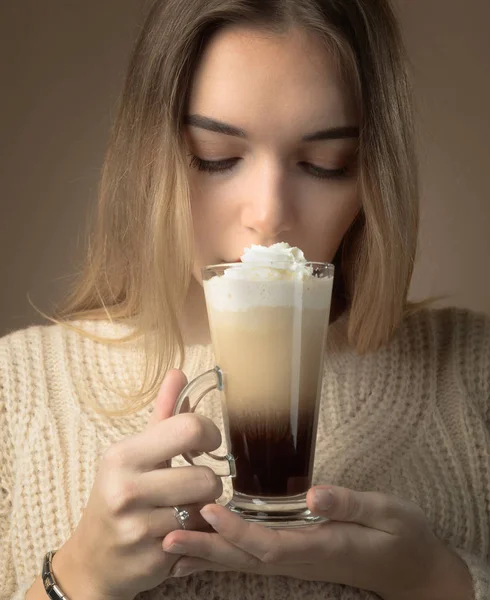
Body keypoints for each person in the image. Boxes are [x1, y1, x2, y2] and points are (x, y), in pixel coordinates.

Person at [1, 0, 489, 599]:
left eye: (323, 164)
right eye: (217, 158)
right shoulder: (15, 391)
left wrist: (435, 581)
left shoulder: (472, 374)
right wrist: (77, 579)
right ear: (149, 159)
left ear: (373, 175)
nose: (268, 217)